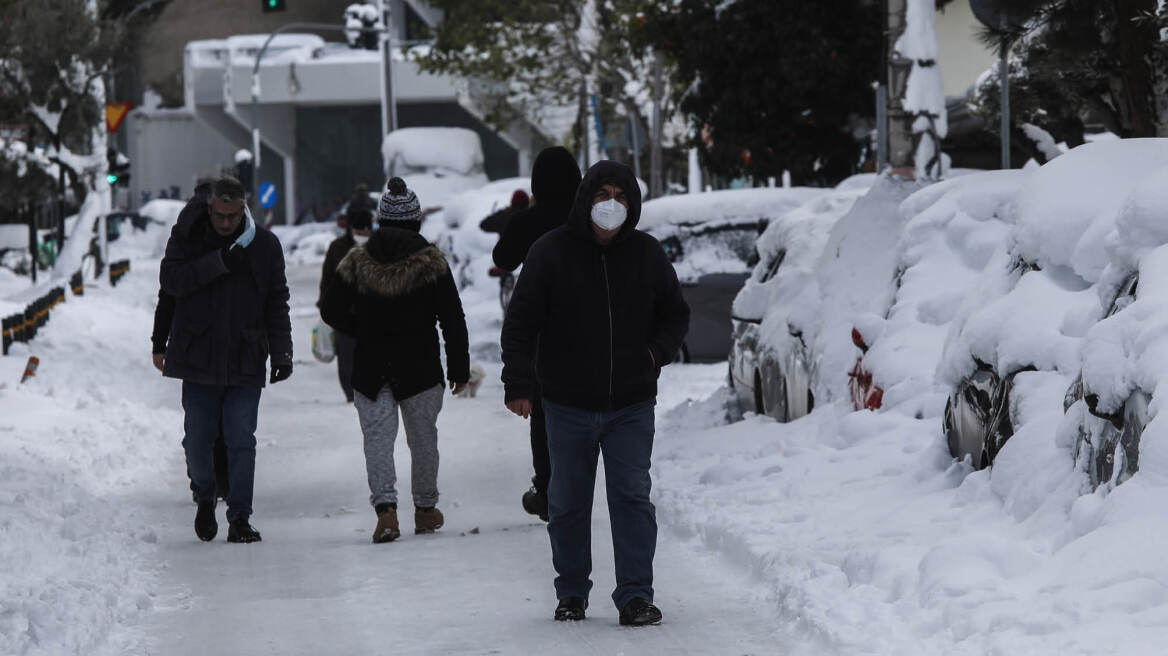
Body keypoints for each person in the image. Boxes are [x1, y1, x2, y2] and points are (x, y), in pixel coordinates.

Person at [501, 160, 690, 626]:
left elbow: (675, 314)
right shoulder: (550, 252)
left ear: (634, 204)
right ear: (586, 199)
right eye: (603, 194)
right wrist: (519, 383)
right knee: (567, 501)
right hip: (566, 403)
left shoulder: (647, 254)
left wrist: (654, 354)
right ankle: (571, 592)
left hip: (631, 402)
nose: (611, 205)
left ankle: (635, 596)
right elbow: (521, 322)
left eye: (622, 197)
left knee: (632, 498)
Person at [320, 176, 470, 544]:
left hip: (370, 368)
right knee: (423, 440)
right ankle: (424, 509)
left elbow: (330, 309)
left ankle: (386, 511)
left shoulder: (357, 260)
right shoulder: (432, 262)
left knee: (377, 440)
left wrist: (361, 327)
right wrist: (459, 367)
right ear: (416, 220)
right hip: (420, 367)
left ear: (381, 221)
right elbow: (452, 317)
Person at [159, 176, 293, 544]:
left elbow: (276, 302)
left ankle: (240, 518)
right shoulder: (189, 238)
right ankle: (205, 496)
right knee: (198, 439)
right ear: (210, 208)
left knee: (240, 439)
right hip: (198, 358)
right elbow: (171, 282)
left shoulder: (265, 246)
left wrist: (282, 351)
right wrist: (217, 261)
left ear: (243, 210)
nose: (224, 223)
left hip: (246, 357)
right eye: (219, 215)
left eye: (232, 217)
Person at [490, 146, 581, 522]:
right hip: (588, 319)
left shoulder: (529, 222)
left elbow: (502, 259)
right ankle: (579, 480)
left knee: (546, 409)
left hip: (544, 323)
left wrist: (520, 220)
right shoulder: (587, 217)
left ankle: (547, 486)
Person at [152, 286, 229, 502]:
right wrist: (159, 342)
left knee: (227, 422)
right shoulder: (185, 252)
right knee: (199, 427)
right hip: (195, 349)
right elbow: (168, 296)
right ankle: (204, 480)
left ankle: (219, 479)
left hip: (231, 346)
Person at [318, 205, 375, 402]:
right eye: (359, 231)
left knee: (372, 356)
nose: (362, 234)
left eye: (366, 230)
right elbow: (327, 280)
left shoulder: (378, 245)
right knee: (347, 358)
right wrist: (326, 308)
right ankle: (351, 394)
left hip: (373, 313)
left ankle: (370, 390)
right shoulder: (338, 248)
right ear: (351, 229)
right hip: (344, 314)